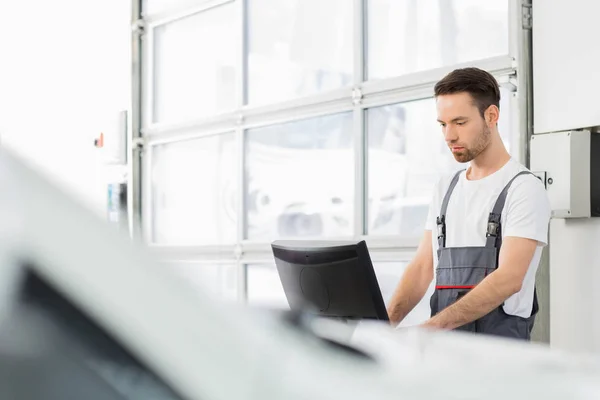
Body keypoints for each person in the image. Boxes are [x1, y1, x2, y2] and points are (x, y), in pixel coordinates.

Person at [386, 67, 551, 340]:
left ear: (491, 116)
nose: (449, 136)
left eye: (460, 123)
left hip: (498, 357)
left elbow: (509, 278)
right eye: (443, 124)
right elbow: (421, 268)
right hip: (444, 351)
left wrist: (427, 331)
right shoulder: (446, 188)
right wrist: (382, 326)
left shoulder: (523, 188)